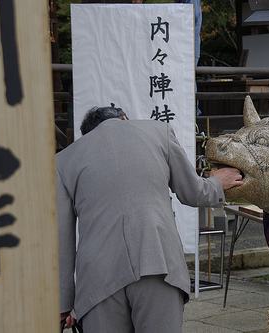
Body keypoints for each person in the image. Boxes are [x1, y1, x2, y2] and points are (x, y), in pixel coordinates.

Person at [57, 106, 243, 332]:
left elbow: (62, 238)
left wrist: (63, 304)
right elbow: (193, 192)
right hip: (156, 262)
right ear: (124, 119)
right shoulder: (159, 131)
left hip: (98, 278)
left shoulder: (64, 160)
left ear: (87, 134)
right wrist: (217, 181)